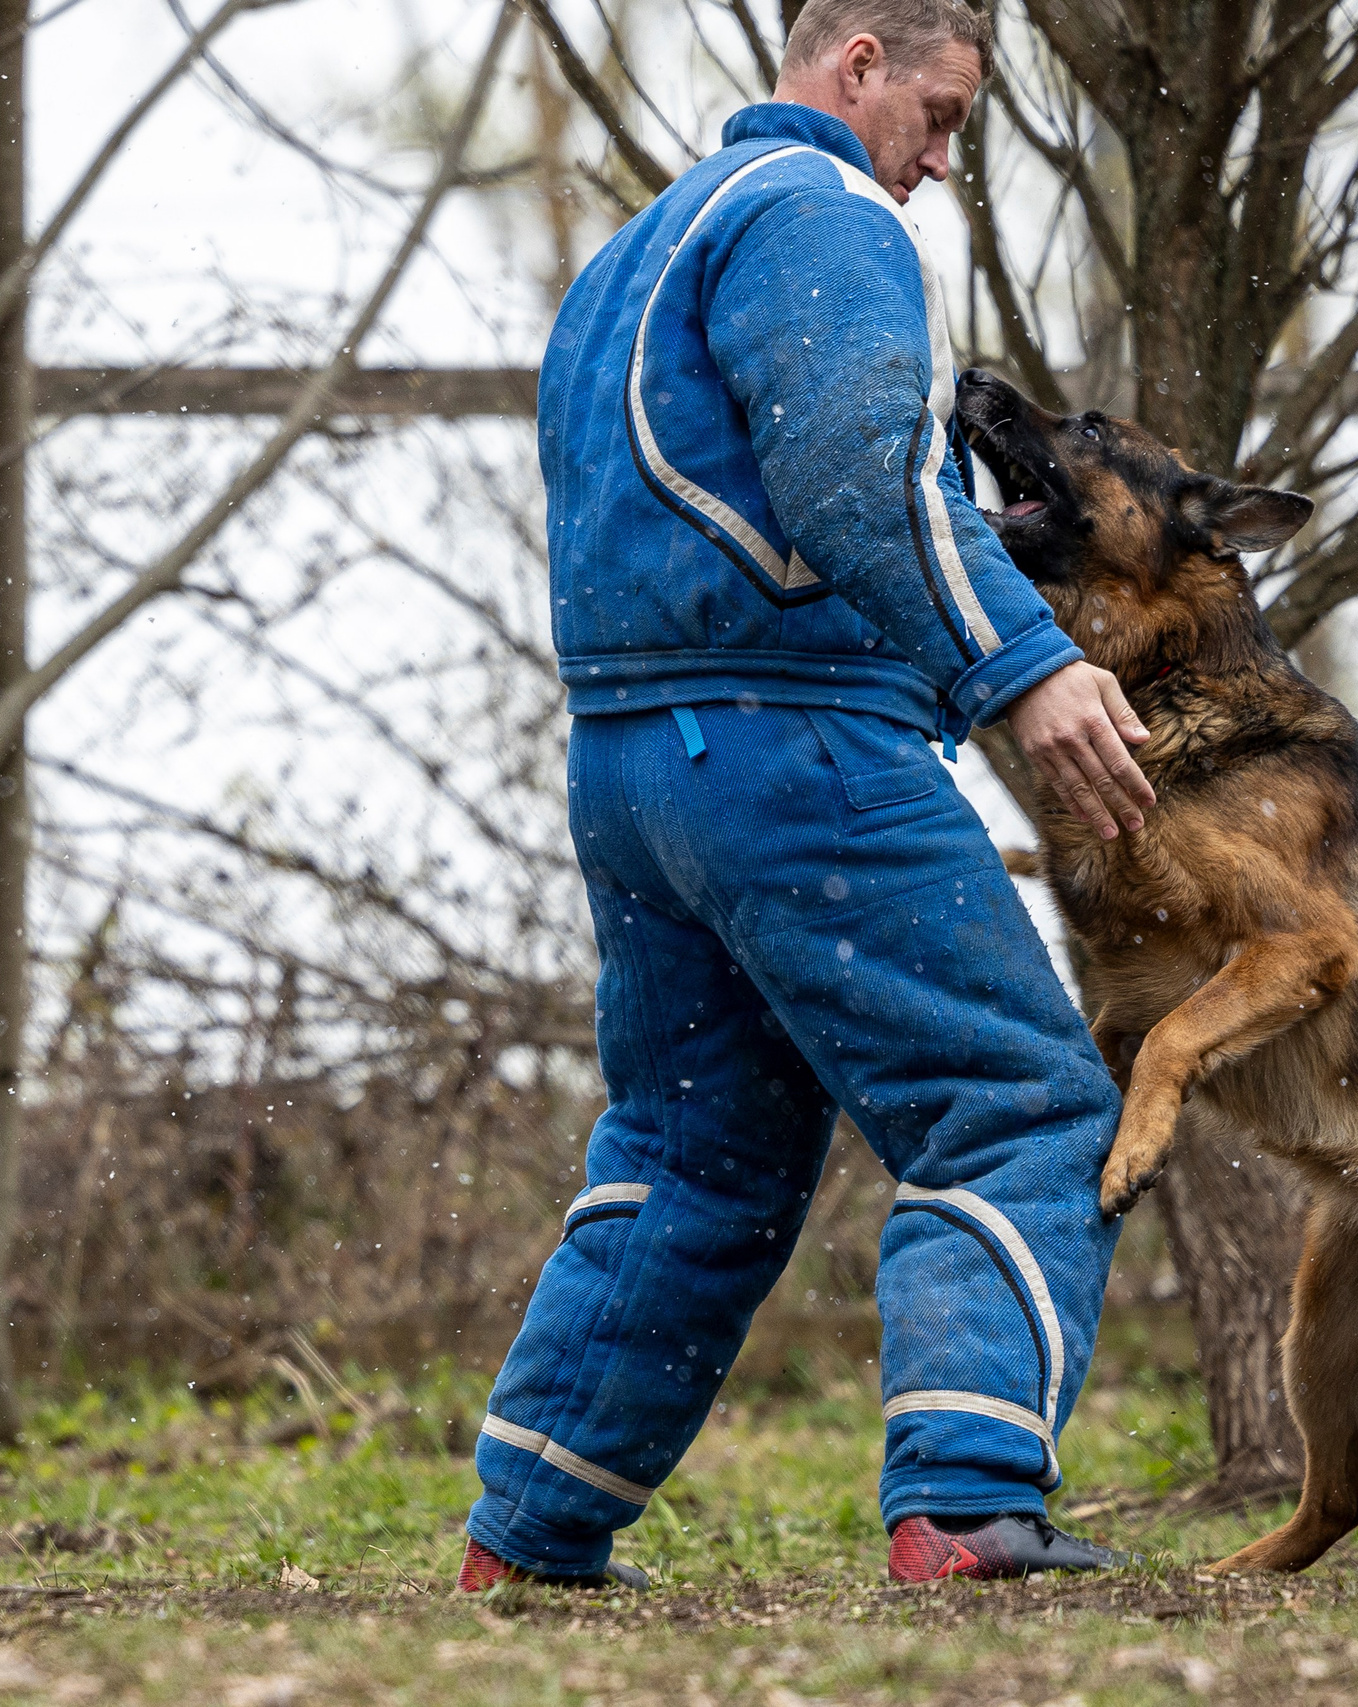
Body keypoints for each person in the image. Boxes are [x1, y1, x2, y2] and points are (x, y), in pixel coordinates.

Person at [458, 0, 1153, 1590]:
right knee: (1017, 1106)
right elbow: (859, 470)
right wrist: (1021, 668)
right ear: (857, 70)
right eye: (944, 117)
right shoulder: (818, 213)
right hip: (796, 743)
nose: (940, 164)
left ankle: (533, 1537)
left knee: (694, 1149)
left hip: (632, 764)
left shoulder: (635, 250)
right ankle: (968, 1509)